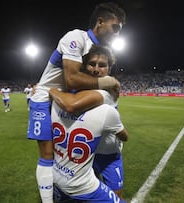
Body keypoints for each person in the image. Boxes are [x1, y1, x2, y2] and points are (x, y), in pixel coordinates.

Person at [26, 2, 126, 202]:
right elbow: (71, 79)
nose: (117, 34)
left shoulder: (97, 49)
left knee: (68, 157)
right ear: (100, 22)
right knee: (47, 155)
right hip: (45, 97)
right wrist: (106, 82)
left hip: (63, 98)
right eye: (115, 28)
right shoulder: (76, 37)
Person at [49, 45, 126, 199]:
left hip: (110, 155)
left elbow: (71, 103)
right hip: (90, 153)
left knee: (115, 194)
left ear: (109, 69)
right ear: (85, 66)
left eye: (102, 65)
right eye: (92, 64)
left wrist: (49, 90)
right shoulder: (103, 86)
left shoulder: (107, 91)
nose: (96, 69)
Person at [50, 88, 128, 202]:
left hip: (64, 168)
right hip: (92, 158)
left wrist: (51, 90)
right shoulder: (106, 110)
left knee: (114, 192)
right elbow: (125, 137)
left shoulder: (57, 104)